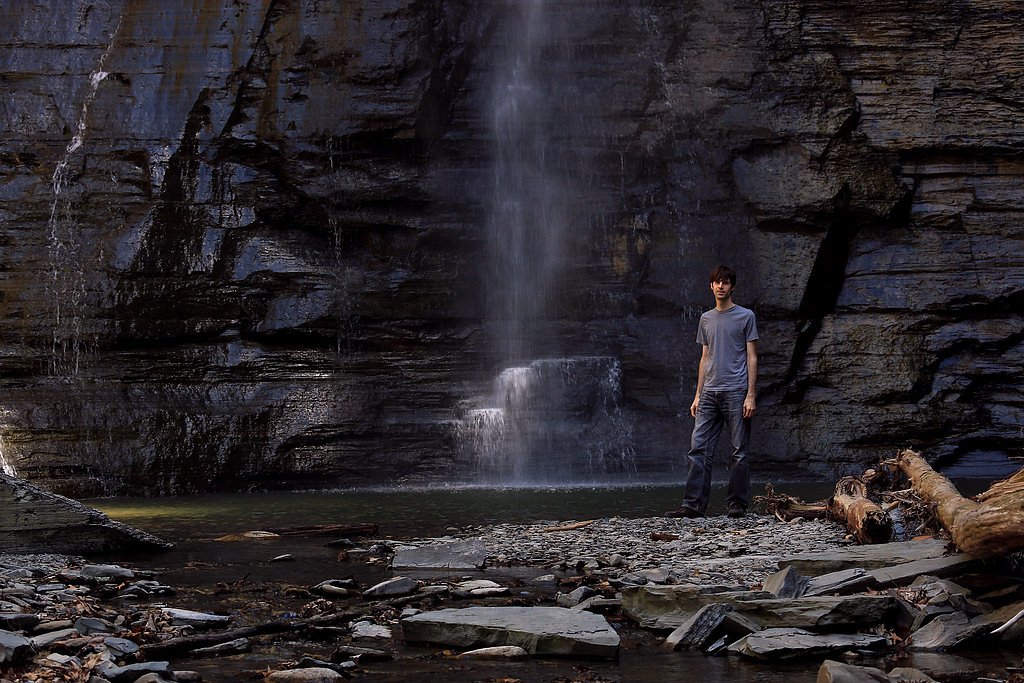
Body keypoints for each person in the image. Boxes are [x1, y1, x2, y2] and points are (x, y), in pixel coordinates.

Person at [667, 265, 758, 519]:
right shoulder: (705, 319)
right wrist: (697, 394)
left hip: (736, 391)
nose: (721, 286)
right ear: (711, 286)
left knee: (739, 451)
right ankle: (693, 505)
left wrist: (751, 394)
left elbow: (752, 357)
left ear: (732, 287)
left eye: (725, 282)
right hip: (709, 393)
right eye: (717, 282)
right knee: (698, 449)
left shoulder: (746, 316)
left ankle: (737, 504)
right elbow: (704, 358)